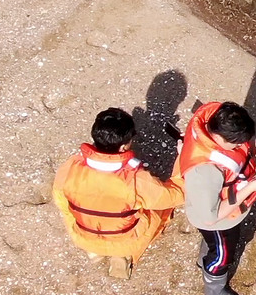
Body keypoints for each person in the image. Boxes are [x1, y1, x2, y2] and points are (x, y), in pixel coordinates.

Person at [52, 108, 184, 280]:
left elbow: (60, 200)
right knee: (160, 208)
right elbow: (176, 195)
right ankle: (124, 255)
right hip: (125, 242)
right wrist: (182, 157)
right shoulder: (137, 180)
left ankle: (94, 251)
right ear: (123, 146)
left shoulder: (70, 167)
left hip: (82, 237)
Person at [173, 100, 256, 295]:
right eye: (235, 144)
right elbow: (211, 217)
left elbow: (246, 142)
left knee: (222, 242)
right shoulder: (204, 170)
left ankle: (206, 254)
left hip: (221, 198)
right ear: (219, 138)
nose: (241, 146)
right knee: (222, 255)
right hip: (219, 218)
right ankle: (214, 290)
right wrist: (252, 187)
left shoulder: (213, 115)